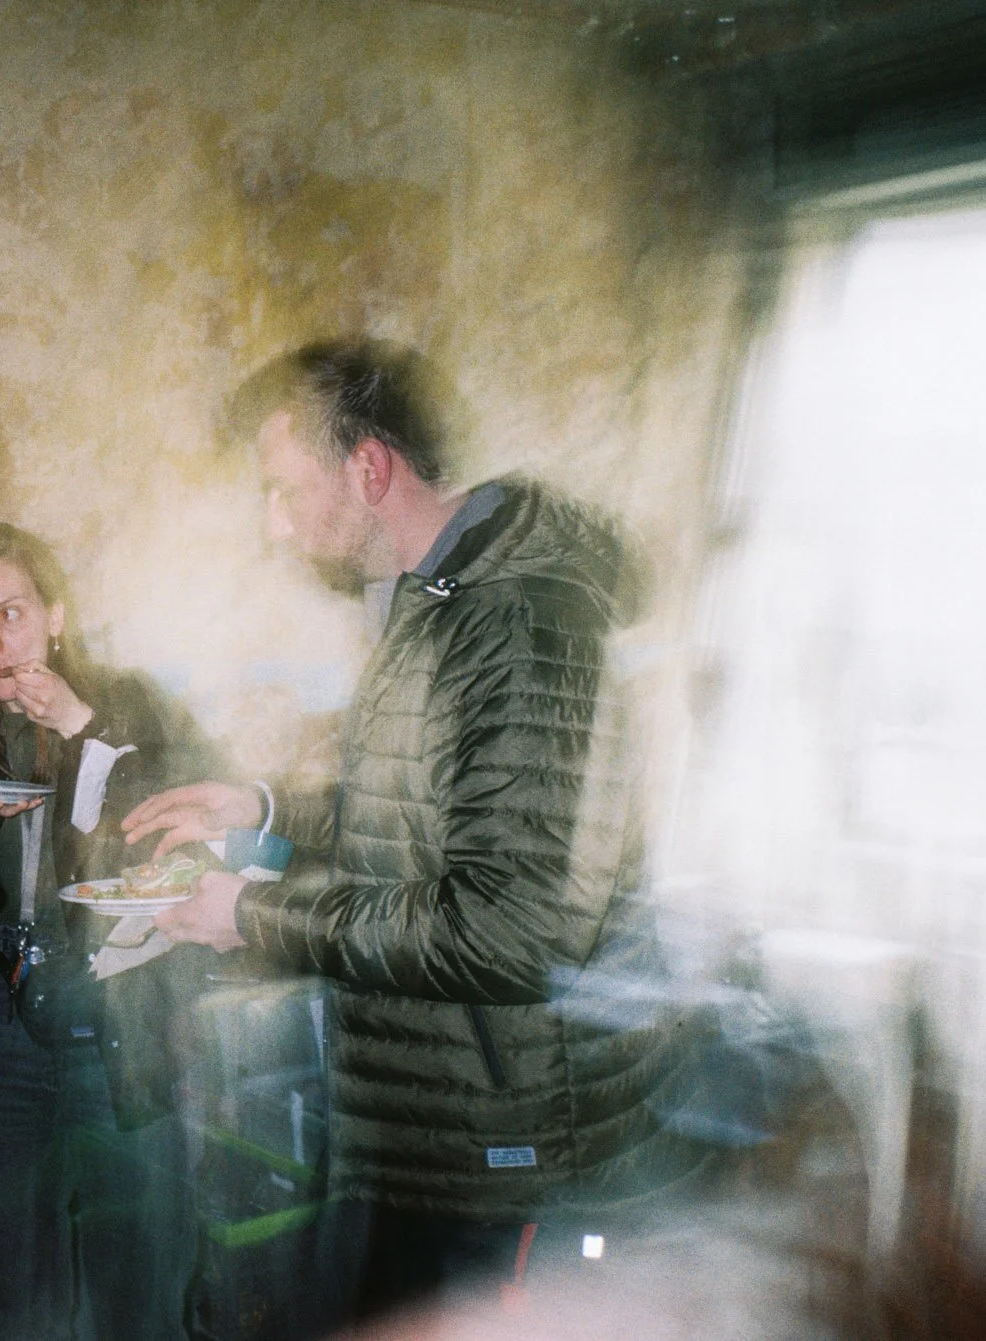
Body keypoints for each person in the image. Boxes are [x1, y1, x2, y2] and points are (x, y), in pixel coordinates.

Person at [128, 340, 712, 1328]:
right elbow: (414, 822)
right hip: (435, 1128)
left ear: (368, 468)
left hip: (505, 1141)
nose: (273, 526)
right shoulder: (434, 606)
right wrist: (259, 810)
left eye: (282, 489)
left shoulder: (516, 624)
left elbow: (504, 927)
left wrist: (258, 916)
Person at [0, 522, 211, 1341]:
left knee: (139, 1278)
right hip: (3, 1027)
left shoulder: (129, 700)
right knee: (12, 1290)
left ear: (57, 617)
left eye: (11, 612)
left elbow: (179, 835)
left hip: (117, 1022)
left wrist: (83, 724)